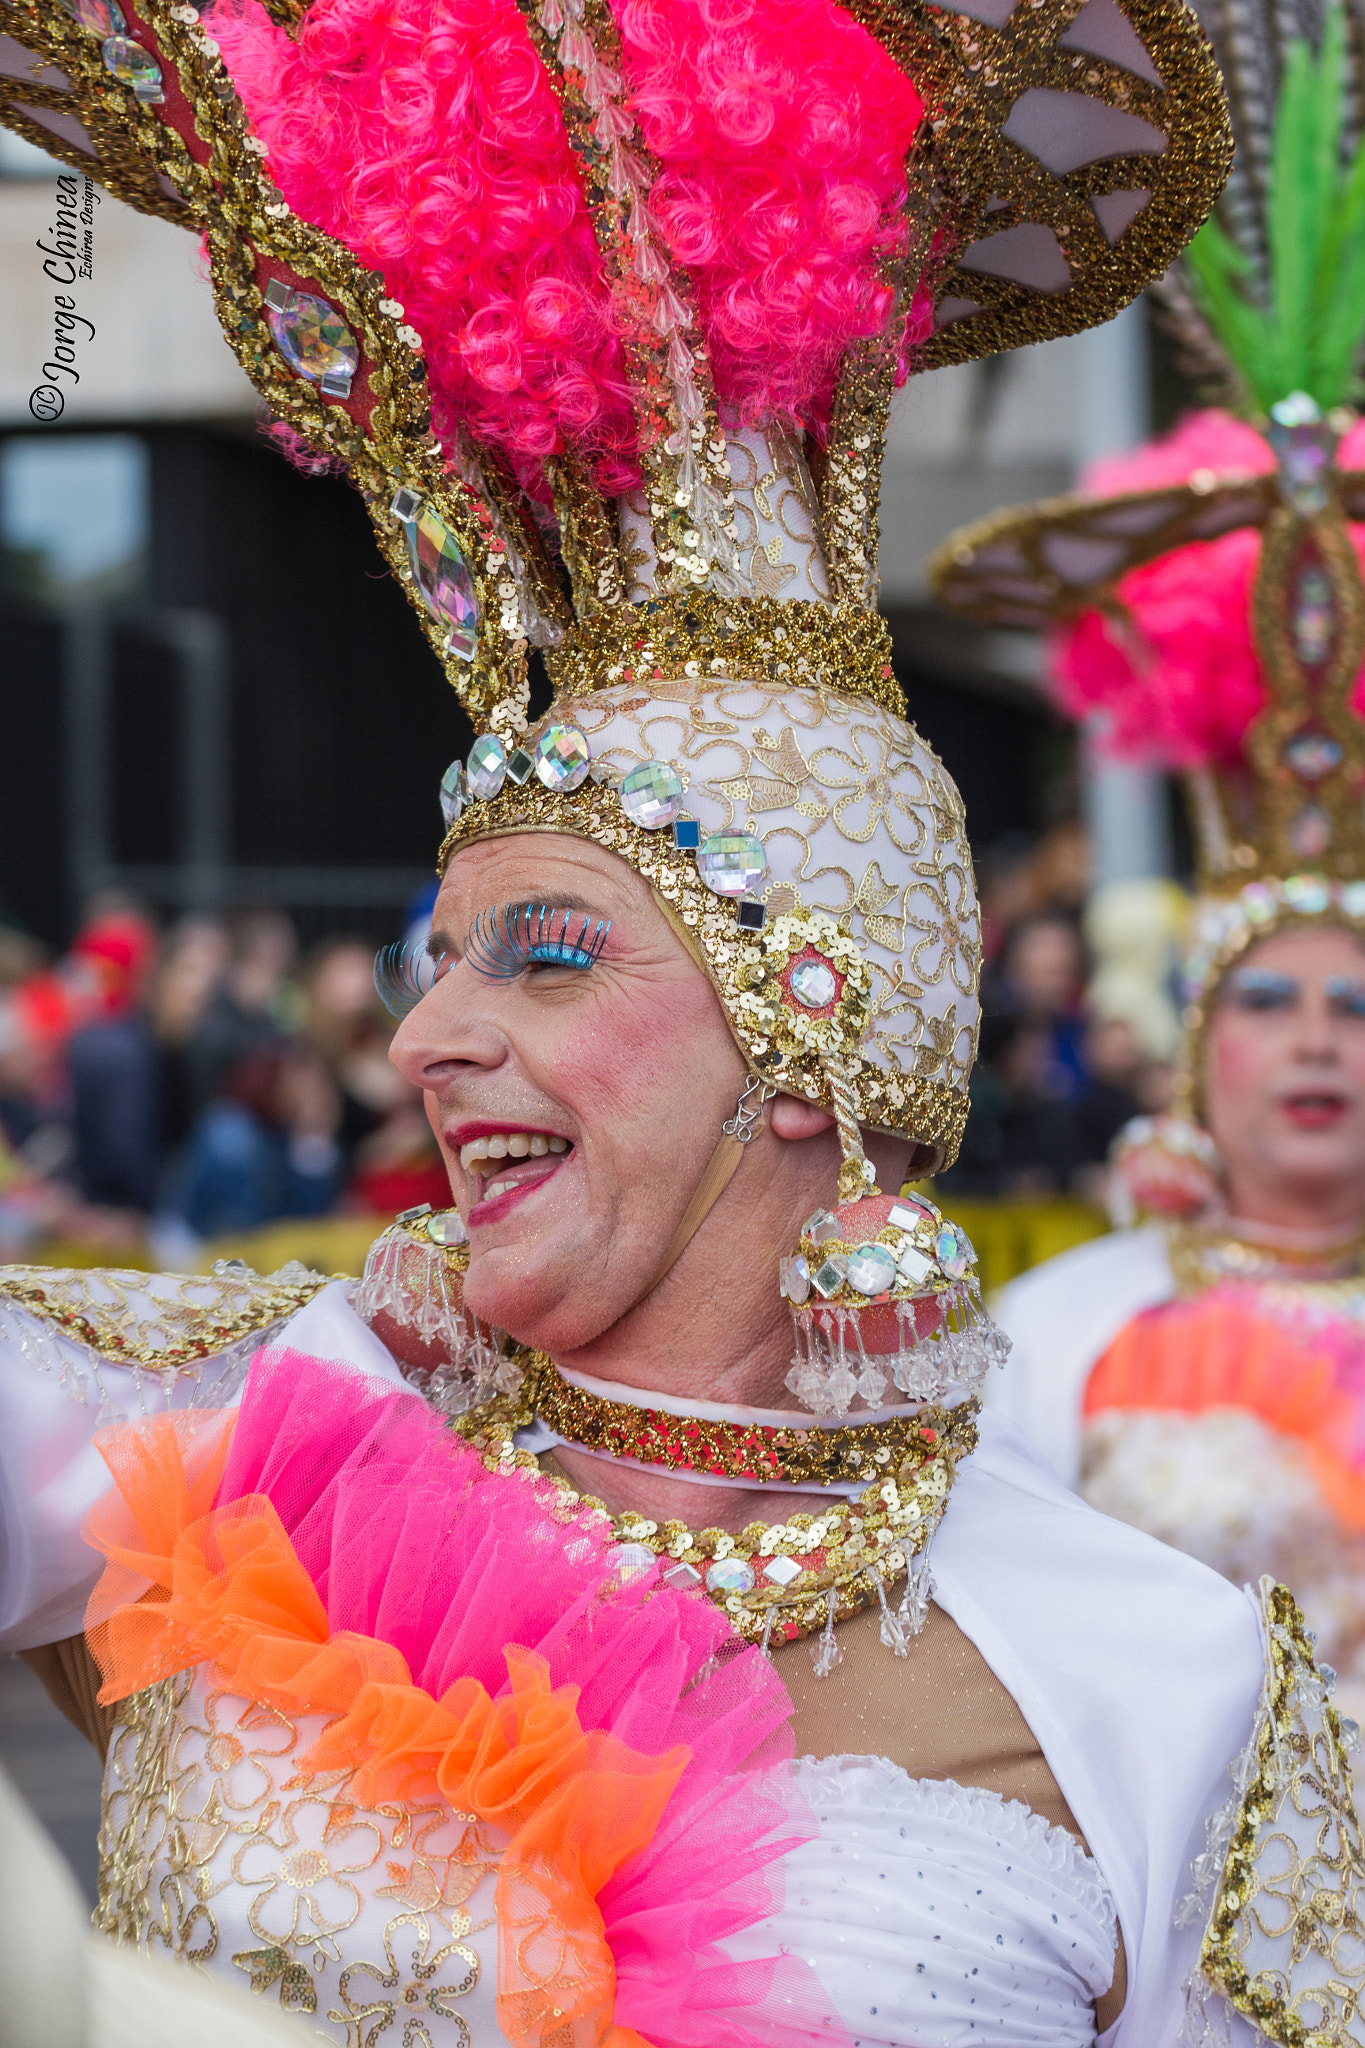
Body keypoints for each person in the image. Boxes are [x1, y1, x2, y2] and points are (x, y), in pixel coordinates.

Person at [0, 0, 1342, 2041]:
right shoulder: (248, 1424)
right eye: (425, 964)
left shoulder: (1162, 1672)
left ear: (823, 1033)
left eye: (541, 953)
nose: (428, 1040)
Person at [931, 0, 1365, 1744]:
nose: (1320, 1039)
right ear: (1192, 1047)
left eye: (1355, 1001)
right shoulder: (1060, 1328)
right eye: (1267, 1001)